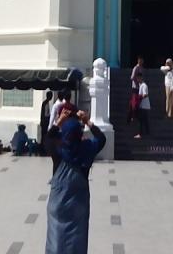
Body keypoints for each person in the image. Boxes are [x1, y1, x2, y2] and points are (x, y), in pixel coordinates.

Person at [45, 109, 107, 254]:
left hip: (57, 205)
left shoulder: (58, 149)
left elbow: (48, 138)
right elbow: (102, 139)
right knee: (77, 242)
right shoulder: (87, 149)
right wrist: (87, 121)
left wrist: (59, 121)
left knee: (55, 240)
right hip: (78, 205)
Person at [128, 56, 144, 122]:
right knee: (134, 102)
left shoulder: (141, 68)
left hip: (139, 87)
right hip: (135, 87)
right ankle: (132, 116)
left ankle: (135, 115)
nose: (141, 62)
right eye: (140, 60)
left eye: (142, 60)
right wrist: (137, 82)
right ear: (138, 60)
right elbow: (132, 77)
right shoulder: (136, 68)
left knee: (137, 102)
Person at [39, 90, 54, 155]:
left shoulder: (46, 103)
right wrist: (51, 116)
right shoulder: (45, 103)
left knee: (44, 136)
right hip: (45, 122)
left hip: (44, 122)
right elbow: (45, 114)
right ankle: (42, 150)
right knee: (44, 136)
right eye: (51, 96)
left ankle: (43, 149)